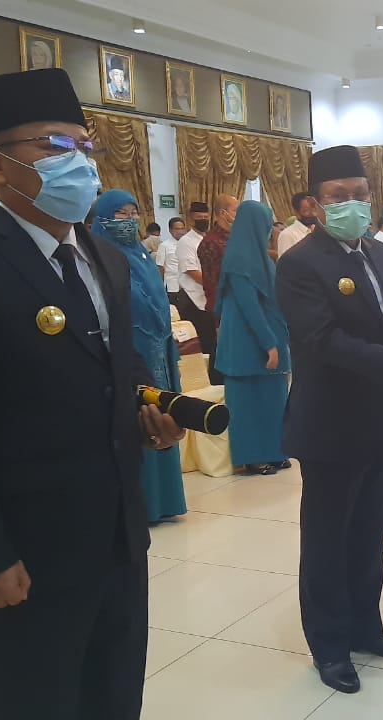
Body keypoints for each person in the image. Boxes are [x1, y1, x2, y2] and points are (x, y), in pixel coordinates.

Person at [0, 69, 184, 719]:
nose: (76, 161)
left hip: (114, 541)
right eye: (53, 145)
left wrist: (146, 417)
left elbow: (114, 372)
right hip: (20, 552)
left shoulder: (103, 256)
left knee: (113, 698)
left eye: (84, 145)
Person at [276, 145, 383, 695]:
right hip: (329, 423)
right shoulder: (300, 263)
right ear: (315, 205)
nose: (352, 204)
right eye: (337, 197)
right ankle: (329, 645)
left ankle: (366, 626)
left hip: (379, 417)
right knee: (327, 539)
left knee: (369, 531)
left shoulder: (382, 254)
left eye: (360, 195)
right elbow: (321, 340)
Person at [90, 190, 187, 523]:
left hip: (158, 346)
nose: (130, 220)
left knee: (163, 419)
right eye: (122, 214)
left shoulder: (141, 254)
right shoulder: (96, 256)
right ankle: (143, 504)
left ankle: (166, 501)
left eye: (134, 213)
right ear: (102, 217)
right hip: (129, 349)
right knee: (139, 419)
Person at [215, 200, 292, 477]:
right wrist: (268, 343)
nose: (269, 231)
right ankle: (252, 457)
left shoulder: (261, 257)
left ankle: (275, 451)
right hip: (247, 342)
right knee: (247, 402)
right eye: (265, 225)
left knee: (273, 398)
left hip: (269, 337)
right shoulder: (239, 259)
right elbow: (250, 307)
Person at [198, 195, 238, 385]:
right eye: (235, 210)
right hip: (223, 305)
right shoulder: (211, 242)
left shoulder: (233, 238)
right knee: (223, 353)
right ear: (223, 213)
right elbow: (214, 281)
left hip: (237, 303)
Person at [176, 201, 217, 384]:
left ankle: (215, 380)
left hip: (209, 298)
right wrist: (215, 284)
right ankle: (203, 381)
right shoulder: (186, 242)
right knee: (203, 345)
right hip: (193, 300)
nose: (203, 219)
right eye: (199, 217)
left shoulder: (210, 238)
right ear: (191, 218)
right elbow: (192, 272)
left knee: (213, 343)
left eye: (205, 216)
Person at [276, 192, 319, 258]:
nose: (313, 213)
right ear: (296, 212)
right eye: (306, 210)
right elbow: (285, 262)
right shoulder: (287, 235)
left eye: (314, 208)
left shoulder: (320, 230)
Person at [157, 216, 184, 296]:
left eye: (182, 228)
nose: (180, 231)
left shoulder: (188, 245)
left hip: (186, 287)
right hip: (172, 286)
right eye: (177, 229)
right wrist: (160, 286)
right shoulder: (164, 246)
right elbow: (160, 267)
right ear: (170, 230)